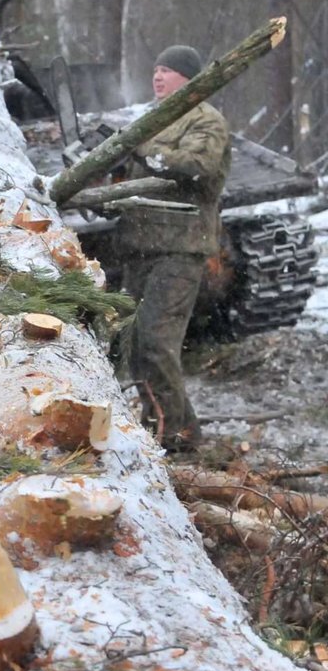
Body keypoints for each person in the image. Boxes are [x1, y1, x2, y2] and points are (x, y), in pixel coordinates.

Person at [115, 44, 230, 452]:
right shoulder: (155, 120)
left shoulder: (205, 120)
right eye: (155, 69)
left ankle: (172, 440)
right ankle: (177, 430)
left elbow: (197, 168)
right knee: (133, 344)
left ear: (189, 77)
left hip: (179, 249)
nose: (157, 76)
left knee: (155, 342)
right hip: (141, 247)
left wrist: (143, 149)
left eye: (167, 70)